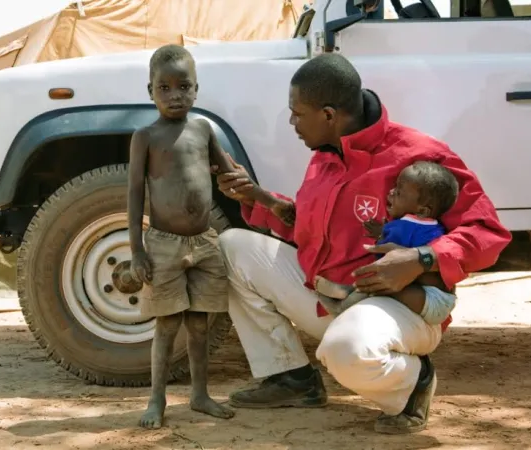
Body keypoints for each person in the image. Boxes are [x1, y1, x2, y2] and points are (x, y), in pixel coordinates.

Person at [212, 53, 511, 434]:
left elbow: (488, 233)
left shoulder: (420, 156)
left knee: (346, 352)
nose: (292, 123)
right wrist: (258, 199)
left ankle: (412, 384)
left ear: (329, 114)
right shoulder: (325, 155)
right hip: (334, 297)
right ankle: (289, 377)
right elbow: (310, 232)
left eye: (298, 113)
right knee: (233, 246)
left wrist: (420, 259)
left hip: (397, 309)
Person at [127, 44, 236, 429]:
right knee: (167, 325)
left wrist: (249, 188)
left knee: (200, 324)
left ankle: (200, 395)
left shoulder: (204, 128)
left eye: (183, 87)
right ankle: (156, 400)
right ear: (151, 91)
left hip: (204, 241)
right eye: (164, 88)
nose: (175, 96)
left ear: (196, 89)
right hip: (164, 244)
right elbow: (135, 194)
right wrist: (137, 249)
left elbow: (226, 172)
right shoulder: (145, 136)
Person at [315, 160, 460, 325]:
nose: (391, 193)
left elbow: (391, 257)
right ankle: (351, 291)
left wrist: (381, 236)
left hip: (428, 299)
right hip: (444, 297)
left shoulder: (403, 226)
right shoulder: (434, 228)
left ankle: (344, 303)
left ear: (422, 210)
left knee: (382, 287)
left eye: (398, 193)